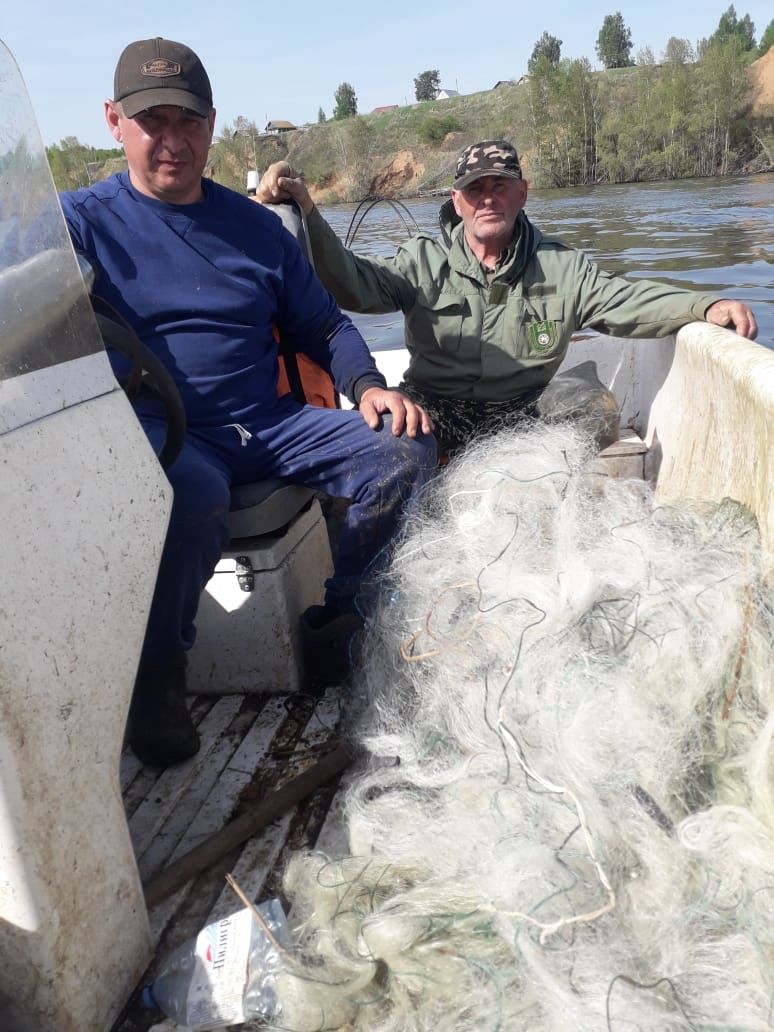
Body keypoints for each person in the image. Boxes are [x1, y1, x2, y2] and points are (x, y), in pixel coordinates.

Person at [60, 38, 436, 767]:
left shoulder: (258, 229)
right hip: (160, 430)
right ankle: (160, 677)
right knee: (190, 490)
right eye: (151, 122)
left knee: (404, 448)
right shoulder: (80, 222)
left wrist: (367, 387)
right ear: (114, 121)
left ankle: (351, 620)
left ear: (211, 124)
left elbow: (323, 324)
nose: (172, 141)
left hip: (267, 423)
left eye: (188, 122)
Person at [257, 141, 758, 456]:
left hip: (519, 413)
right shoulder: (422, 260)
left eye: (501, 186)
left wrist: (704, 307)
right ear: (457, 201)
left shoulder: (562, 267)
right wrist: (307, 211)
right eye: (475, 190)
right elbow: (352, 284)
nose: (488, 198)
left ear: (523, 193)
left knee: (575, 439)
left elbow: (626, 302)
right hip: (433, 406)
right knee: (382, 449)